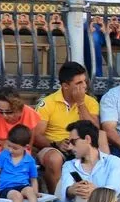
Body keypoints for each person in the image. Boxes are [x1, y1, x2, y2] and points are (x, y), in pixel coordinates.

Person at [33, 62, 101, 194]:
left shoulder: (90, 102)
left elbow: (95, 130)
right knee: (54, 158)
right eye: (78, 83)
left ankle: (97, 195)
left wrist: (81, 103)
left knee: (99, 145)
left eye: (84, 81)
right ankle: (58, 198)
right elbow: (36, 135)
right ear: (65, 86)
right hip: (54, 147)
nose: (84, 86)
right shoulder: (47, 103)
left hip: (82, 145)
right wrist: (56, 144)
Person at [55, 120, 120, 202]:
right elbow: (65, 191)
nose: (69, 147)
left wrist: (95, 191)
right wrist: (71, 190)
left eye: (73, 142)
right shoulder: (69, 165)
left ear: (87, 139)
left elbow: (114, 190)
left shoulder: (113, 161)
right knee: (83, 193)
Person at [0, 125, 41, 202]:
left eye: (15, 148)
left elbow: (33, 179)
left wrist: (36, 192)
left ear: (26, 147)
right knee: (17, 195)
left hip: (23, 185)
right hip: (6, 188)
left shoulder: (29, 160)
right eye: (9, 146)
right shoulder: (3, 155)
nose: (10, 150)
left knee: (30, 191)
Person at [0, 85, 44, 164]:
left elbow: (28, 146)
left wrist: (5, 143)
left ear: (18, 109)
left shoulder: (28, 113)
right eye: (0, 111)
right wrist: (7, 147)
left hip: (21, 152)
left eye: (9, 112)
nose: (4, 115)